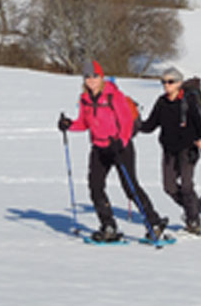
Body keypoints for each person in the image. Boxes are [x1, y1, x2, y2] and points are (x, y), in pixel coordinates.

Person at [58, 60, 168, 242]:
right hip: (99, 148)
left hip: (119, 148)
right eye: (87, 76)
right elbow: (84, 123)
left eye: (95, 76)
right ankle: (108, 226)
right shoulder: (85, 99)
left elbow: (126, 122)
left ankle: (154, 223)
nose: (91, 80)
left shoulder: (114, 96)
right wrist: (69, 125)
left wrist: (122, 140)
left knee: (130, 188)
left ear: (101, 77)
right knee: (95, 187)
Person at [138, 67, 201, 235]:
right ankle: (193, 206)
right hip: (169, 150)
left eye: (170, 82)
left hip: (188, 149)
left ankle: (193, 221)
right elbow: (150, 124)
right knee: (169, 187)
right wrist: (135, 125)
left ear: (179, 83)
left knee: (186, 186)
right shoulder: (162, 102)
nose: (166, 85)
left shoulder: (189, 101)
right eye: (163, 82)